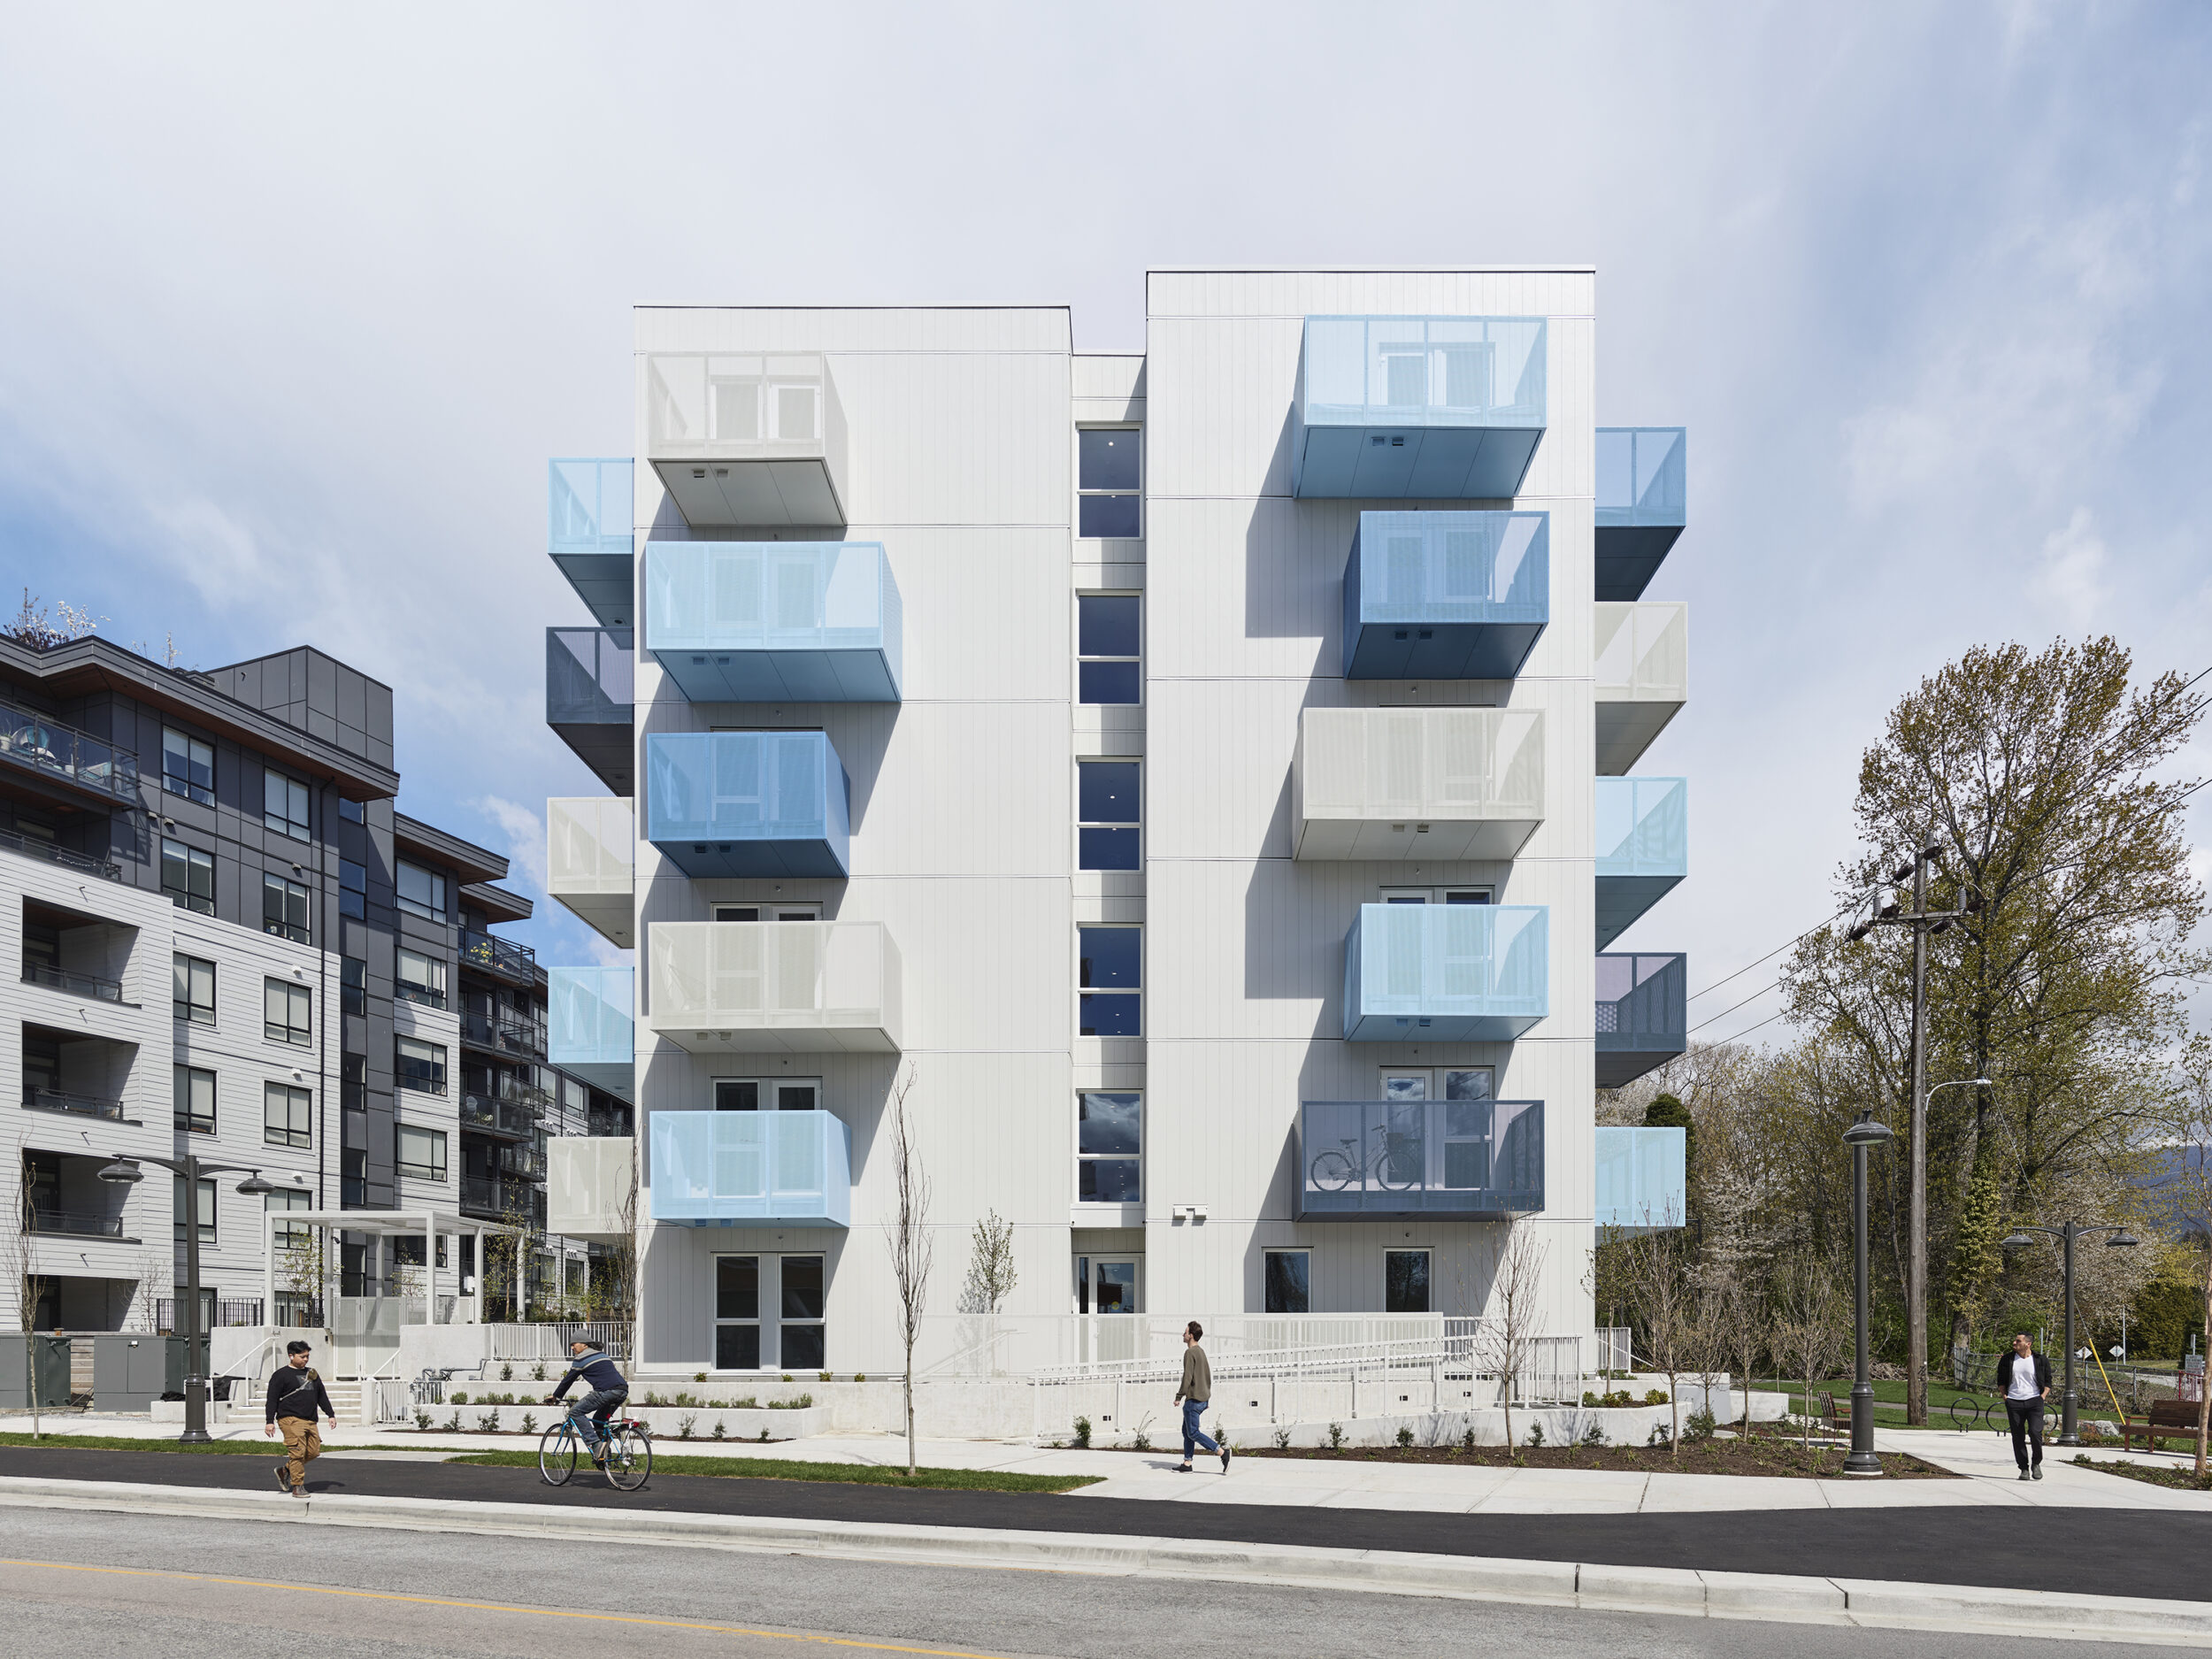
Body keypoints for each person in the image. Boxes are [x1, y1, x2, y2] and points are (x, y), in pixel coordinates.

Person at [263, 1339, 337, 1498]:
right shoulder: (281, 1375)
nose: (305, 1359)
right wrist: (269, 1421)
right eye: (302, 1356)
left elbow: (321, 1395)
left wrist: (330, 1414)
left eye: (307, 1356)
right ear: (291, 1356)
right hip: (290, 1419)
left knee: (313, 1451)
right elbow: (272, 1399)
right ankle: (298, 1486)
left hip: (310, 1419)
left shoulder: (312, 1374)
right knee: (297, 1452)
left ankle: (285, 1471)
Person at [544, 1339, 627, 1462]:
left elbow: (568, 1380)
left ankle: (595, 1444)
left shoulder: (581, 1359)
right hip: (623, 1390)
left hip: (605, 1391)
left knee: (575, 1412)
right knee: (599, 1420)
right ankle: (604, 1456)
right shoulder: (603, 1355)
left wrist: (556, 1396)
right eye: (570, 1345)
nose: (572, 1347)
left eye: (574, 1344)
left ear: (584, 1344)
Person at [1171, 1320, 1230, 1474]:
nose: (1183, 1334)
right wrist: (1206, 1397)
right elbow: (1207, 1376)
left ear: (1191, 1336)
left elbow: (1187, 1377)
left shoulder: (1190, 1353)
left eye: (1185, 1332)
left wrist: (1179, 1396)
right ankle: (1187, 1463)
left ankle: (1222, 1452)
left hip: (1194, 1399)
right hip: (1202, 1398)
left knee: (1193, 1432)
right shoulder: (1201, 1351)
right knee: (1187, 1432)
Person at [1995, 1330, 2053, 1480]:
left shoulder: (2040, 1359)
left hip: (2035, 1401)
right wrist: (2005, 1396)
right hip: (2014, 1401)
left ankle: (2036, 1464)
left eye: (2018, 1341)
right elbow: (2001, 1380)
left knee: (2035, 1433)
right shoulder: (2007, 1359)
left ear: (2028, 1344)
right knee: (2018, 1436)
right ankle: (2023, 1469)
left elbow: (2048, 1381)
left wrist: (2043, 1396)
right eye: (2015, 1340)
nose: (2014, 1343)